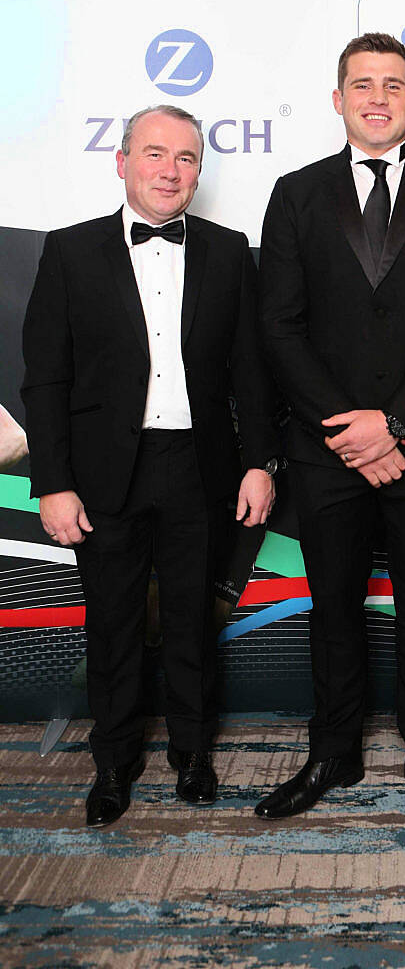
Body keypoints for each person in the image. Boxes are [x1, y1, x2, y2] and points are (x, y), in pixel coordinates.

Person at [256, 33, 405, 831]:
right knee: (333, 606)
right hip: (325, 448)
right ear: (338, 99)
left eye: (394, 83)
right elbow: (280, 326)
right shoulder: (294, 193)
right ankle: (334, 753)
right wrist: (349, 430)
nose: (378, 96)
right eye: (362, 83)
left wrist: (395, 426)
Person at [21, 104, 278, 828]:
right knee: (113, 623)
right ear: (123, 160)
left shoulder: (230, 252)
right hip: (104, 475)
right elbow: (45, 379)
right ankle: (114, 762)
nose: (171, 171)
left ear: (201, 168)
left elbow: (252, 375)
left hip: (200, 466)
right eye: (156, 154)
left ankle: (193, 752)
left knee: (195, 618)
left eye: (187, 158)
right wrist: (53, 482)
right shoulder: (69, 252)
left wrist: (260, 462)